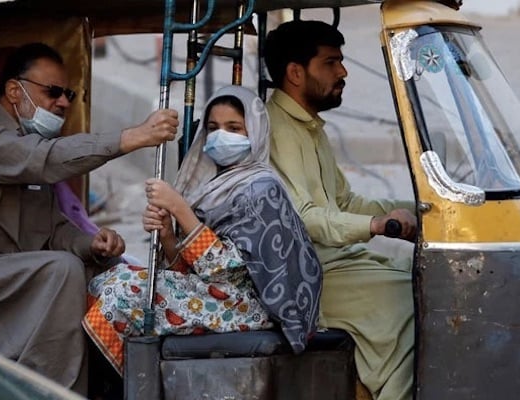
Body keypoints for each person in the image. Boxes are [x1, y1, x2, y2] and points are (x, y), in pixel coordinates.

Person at [0, 42, 179, 394]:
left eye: (68, 94)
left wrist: (90, 243)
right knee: (62, 270)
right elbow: (42, 159)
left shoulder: (28, 136)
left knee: (108, 272)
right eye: (53, 92)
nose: (62, 102)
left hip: (17, 276)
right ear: (15, 91)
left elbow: (52, 228)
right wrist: (131, 138)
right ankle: (51, 390)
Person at [82, 85, 322, 373]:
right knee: (107, 279)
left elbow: (226, 269)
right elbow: (186, 270)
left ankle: (133, 385)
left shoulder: (262, 190)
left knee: (124, 293)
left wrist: (180, 208)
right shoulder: (212, 186)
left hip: (248, 305)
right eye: (213, 128)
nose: (221, 136)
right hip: (214, 292)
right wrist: (169, 233)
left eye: (234, 128)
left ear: (255, 132)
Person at [264, 20, 417, 400]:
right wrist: (377, 224)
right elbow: (305, 217)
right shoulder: (275, 129)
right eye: (331, 62)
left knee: (423, 281)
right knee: (416, 309)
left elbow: (343, 203)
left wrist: (417, 208)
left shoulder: (309, 127)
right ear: (296, 73)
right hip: (314, 277)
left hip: (343, 262)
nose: (343, 71)